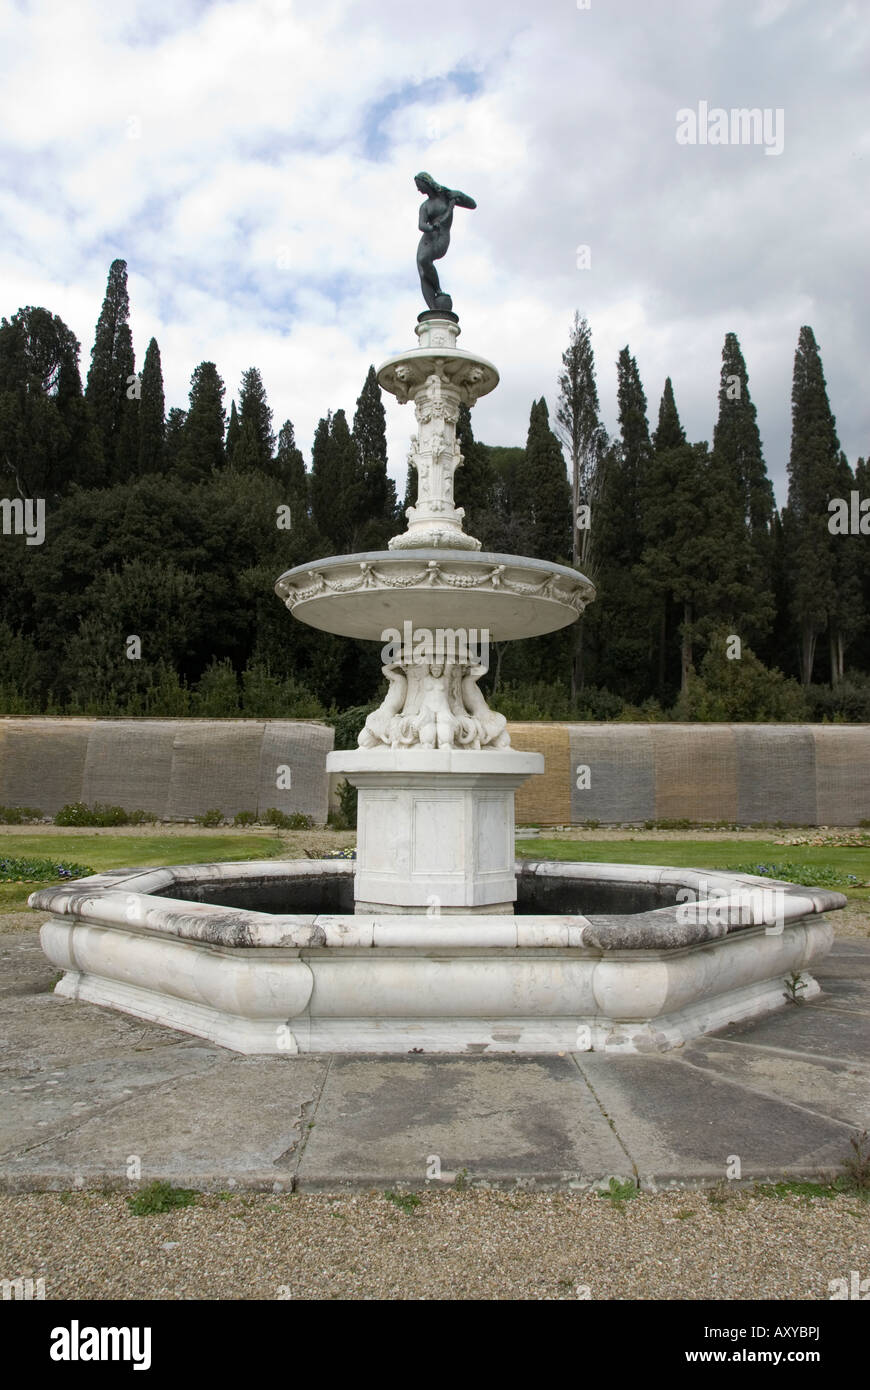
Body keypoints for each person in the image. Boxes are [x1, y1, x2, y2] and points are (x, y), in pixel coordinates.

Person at [415, 172, 476, 312]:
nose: (418, 190)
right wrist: (430, 227)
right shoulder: (425, 206)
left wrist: (459, 195)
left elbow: (472, 204)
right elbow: (421, 225)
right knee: (421, 267)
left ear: (426, 182)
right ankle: (433, 308)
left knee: (424, 260)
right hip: (428, 237)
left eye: (419, 186)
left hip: (441, 236)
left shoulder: (446, 196)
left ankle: (438, 289)